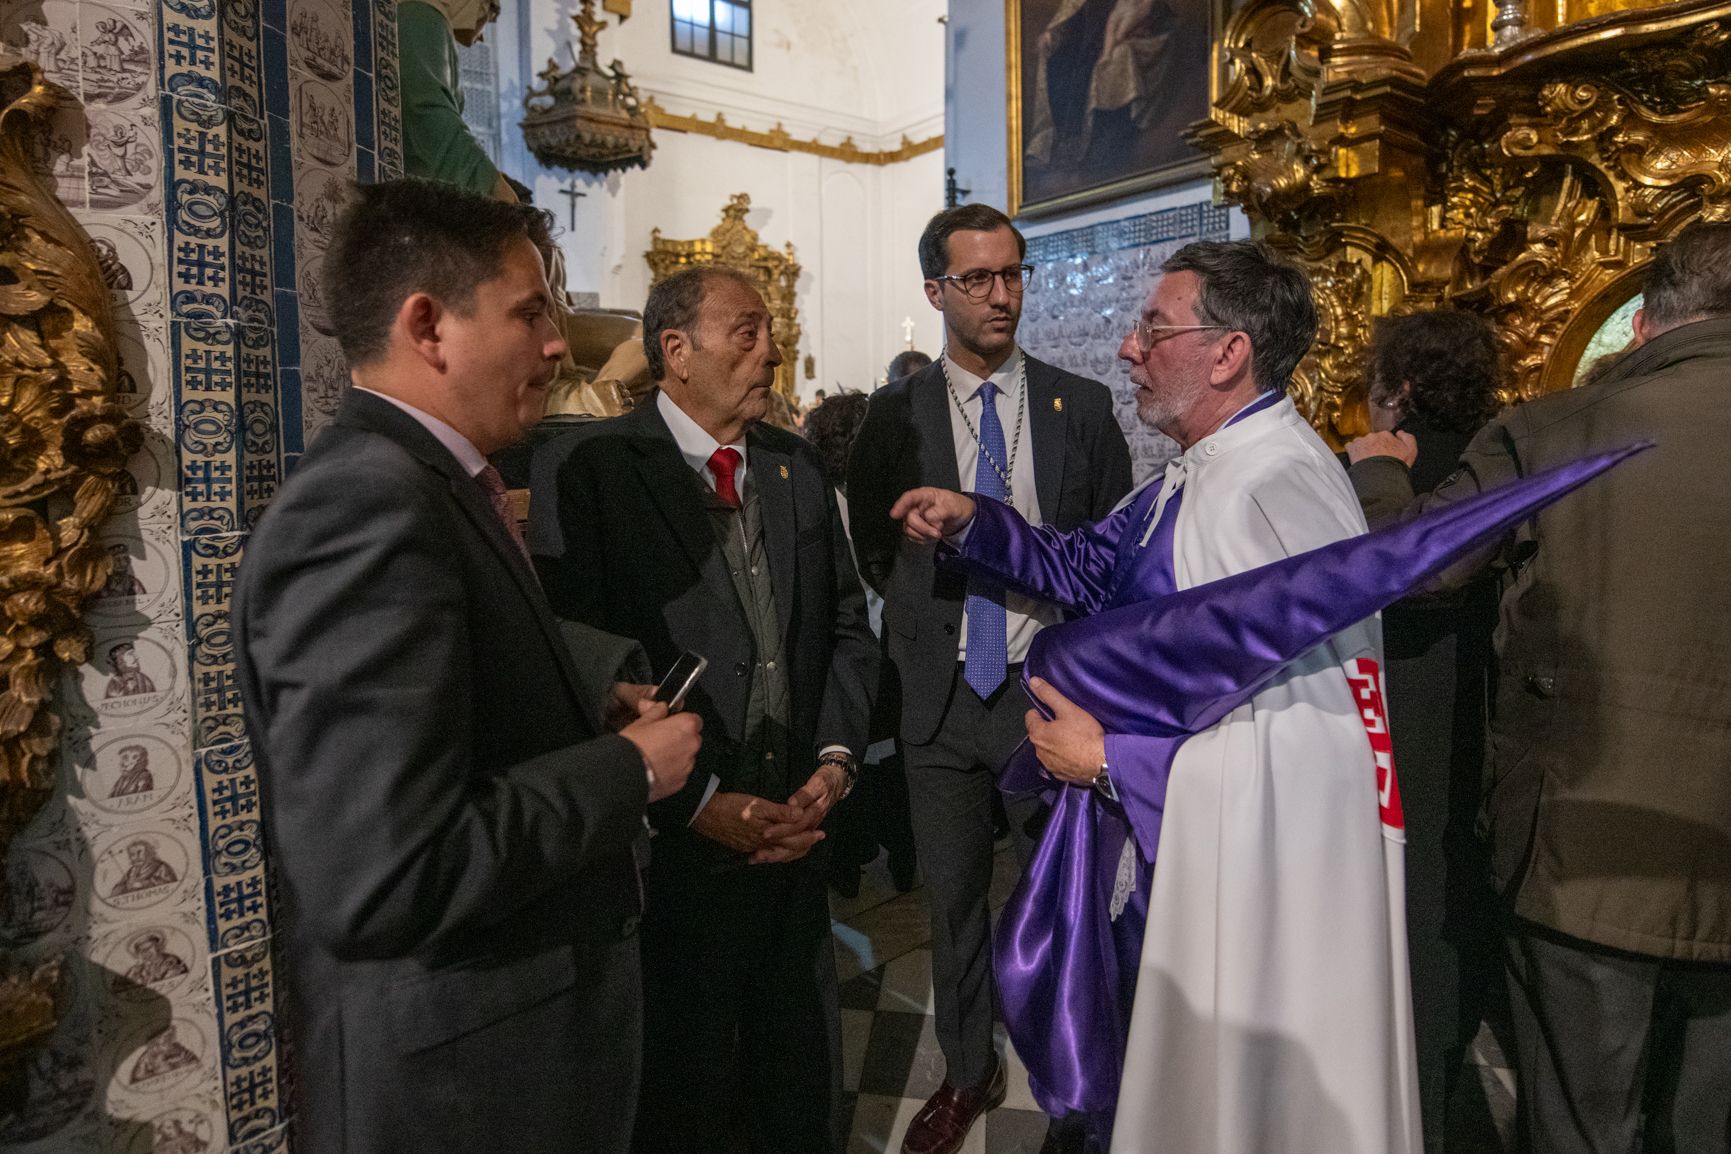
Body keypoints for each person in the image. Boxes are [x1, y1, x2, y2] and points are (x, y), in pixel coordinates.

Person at [891, 239, 1421, 1153]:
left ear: (1227, 353)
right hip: (1158, 851)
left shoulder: (1273, 491)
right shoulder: (1205, 468)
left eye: (1152, 329)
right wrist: (975, 520)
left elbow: (1314, 740)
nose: (1127, 348)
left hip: (1205, 865)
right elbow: (1091, 563)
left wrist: (1108, 762)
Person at [235, 178, 700, 1154]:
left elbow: (451, 656)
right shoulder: (365, 506)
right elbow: (384, 872)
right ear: (428, 326)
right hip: (461, 1088)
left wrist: (583, 687)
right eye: (530, 312)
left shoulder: (426, 480)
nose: (556, 344)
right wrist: (628, 770)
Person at [1346, 220, 1731, 1154]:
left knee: (1580, 1122)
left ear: (1645, 319)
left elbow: (1414, 566)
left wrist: (1380, 475)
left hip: (1588, 851)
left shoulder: (1558, 430)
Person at [529, 266, 878, 1154]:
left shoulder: (794, 466)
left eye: (770, 332)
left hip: (794, 829)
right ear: (675, 350)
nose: (771, 352)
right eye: (746, 332)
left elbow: (844, 627)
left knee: (796, 1078)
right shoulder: (593, 468)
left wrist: (834, 762)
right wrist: (694, 803)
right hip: (669, 852)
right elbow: (573, 658)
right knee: (682, 1089)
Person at [847, 203, 1132, 1154]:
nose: (1000, 294)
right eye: (977, 278)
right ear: (936, 291)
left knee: (1063, 902)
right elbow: (871, 545)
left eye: (1012, 273)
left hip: (1044, 696)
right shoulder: (891, 414)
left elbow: (1107, 552)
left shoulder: (1077, 406)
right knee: (954, 902)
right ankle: (969, 1070)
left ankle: (1073, 1079)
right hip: (938, 700)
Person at [1356, 311, 1503, 1154]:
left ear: (1400, 386)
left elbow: (1398, 565)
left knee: (1409, 944)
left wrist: (1372, 471)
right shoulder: (1497, 455)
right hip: (1485, 730)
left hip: (1401, 734)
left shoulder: (1386, 471)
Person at [805, 391, 918, 898]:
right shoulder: (841, 504)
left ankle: (863, 862)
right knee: (877, 760)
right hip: (869, 651)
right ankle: (882, 859)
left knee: (874, 759)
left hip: (870, 654)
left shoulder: (843, 500)